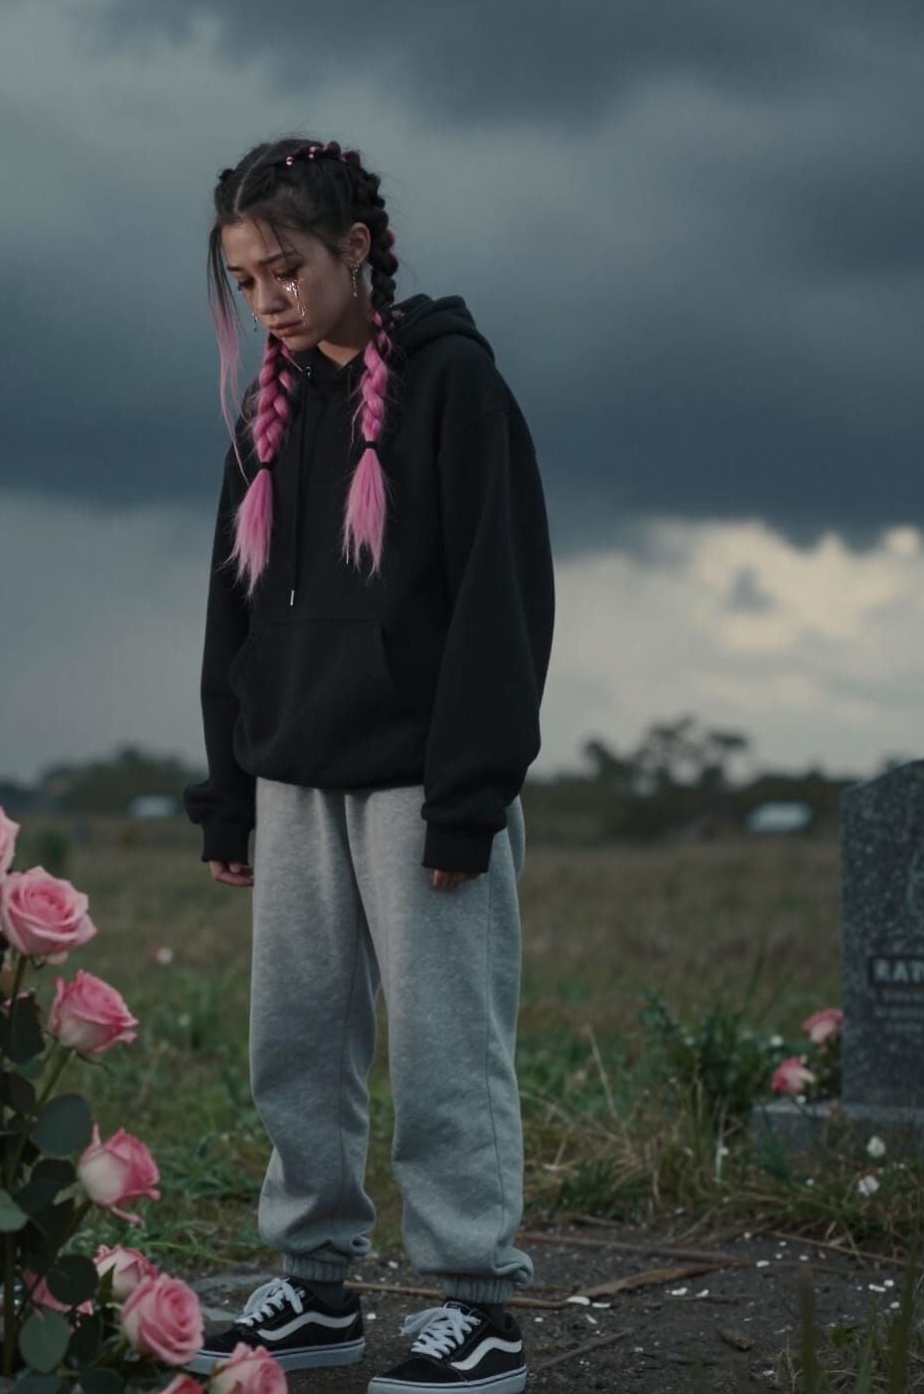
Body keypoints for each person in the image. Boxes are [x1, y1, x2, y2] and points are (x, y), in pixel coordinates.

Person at [181, 135, 555, 1394]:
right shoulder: (268, 413)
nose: (270, 299)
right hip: (291, 780)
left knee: (446, 1046)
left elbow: (502, 608)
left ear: (356, 250)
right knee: (294, 1042)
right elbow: (231, 620)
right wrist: (229, 793)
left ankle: (476, 1302)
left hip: (420, 786)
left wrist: (467, 804)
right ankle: (319, 1290)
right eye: (245, 282)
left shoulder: (456, 389)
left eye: (286, 269)